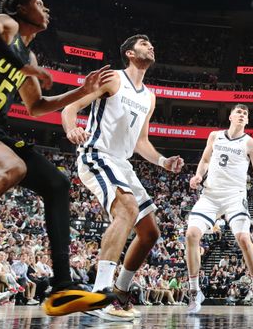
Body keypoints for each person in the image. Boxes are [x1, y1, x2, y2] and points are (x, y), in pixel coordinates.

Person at [0, 0, 116, 315]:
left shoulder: (28, 58)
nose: (46, 9)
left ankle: (62, 288)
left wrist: (82, 91)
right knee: (13, 168)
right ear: (19, 8)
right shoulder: (6, 26)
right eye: (39, 4)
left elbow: (36, 106)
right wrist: (20, 64)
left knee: (57, 183)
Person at [61, 34, 185, 321]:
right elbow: (70, 107)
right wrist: (71, 130)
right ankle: (100, 294)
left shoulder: (149, 97)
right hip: (97, 153)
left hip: (123, 163)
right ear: (129, 53)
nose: (151, 46)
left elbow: (141, 142)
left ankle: (119, 291)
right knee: (127, 209)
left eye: (152, 44)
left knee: (150, 233)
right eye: (144, 44)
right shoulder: (113, 79)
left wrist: (163, 161)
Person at [184, 104, 253, 316]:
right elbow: (205, 160)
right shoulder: (214, 136)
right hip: (211, 194)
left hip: (235, 196)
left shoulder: (250, 143)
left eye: (245, 114)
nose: (242, 115)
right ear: (231, 116)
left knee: (243, 237)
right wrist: (198, 176)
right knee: (191, 234)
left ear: (247, 121)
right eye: (239, 112)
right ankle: (195, 292)